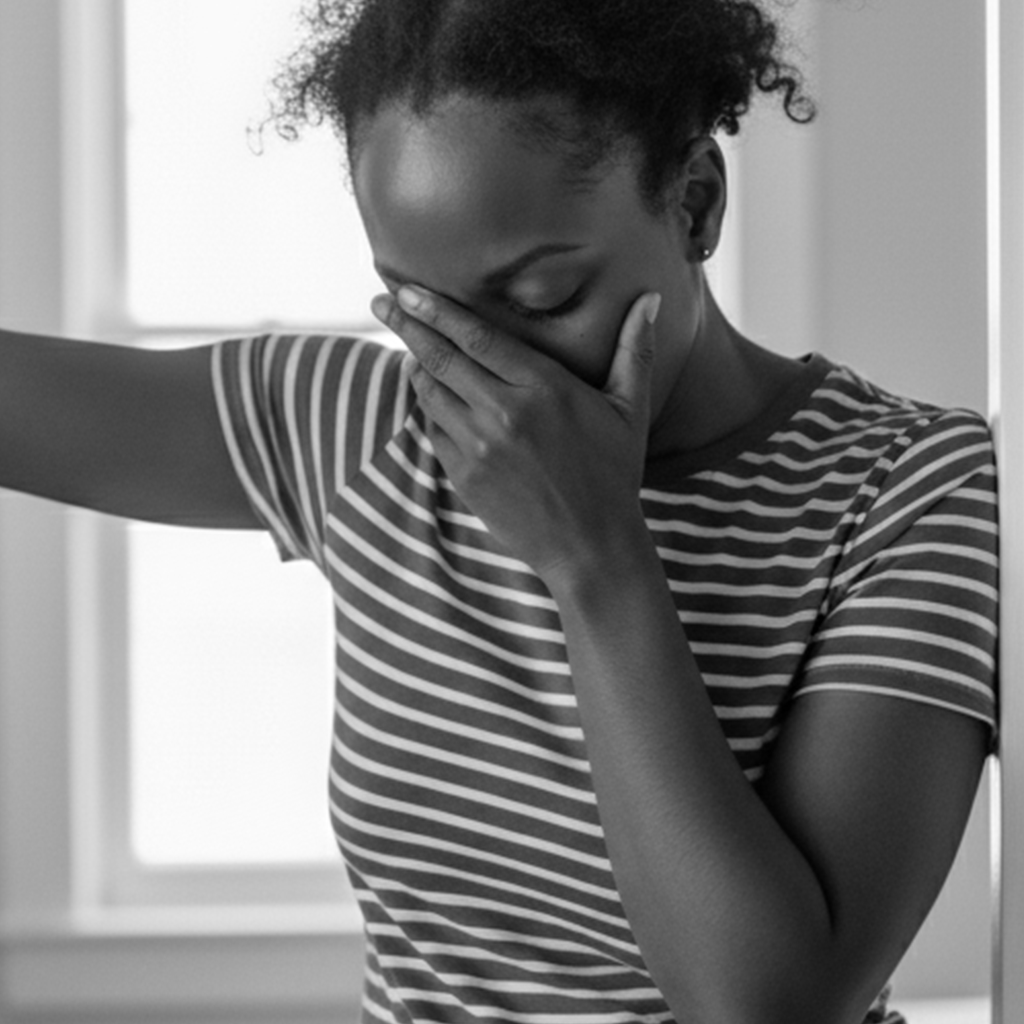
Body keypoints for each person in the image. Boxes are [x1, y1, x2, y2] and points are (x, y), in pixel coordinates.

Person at [0, 1, 997, 1022]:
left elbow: (764, 1003)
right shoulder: (366, 428)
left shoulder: (909, 487)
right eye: (420, 312)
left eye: (542, 298)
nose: (483, 379)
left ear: (694, 202)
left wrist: (596, 556)